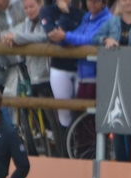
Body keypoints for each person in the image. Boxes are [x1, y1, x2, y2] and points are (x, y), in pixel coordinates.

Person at [92, 0, 131, 162]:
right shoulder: (111, 23)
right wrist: (105, 40)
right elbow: (94, 37)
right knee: (117, 123)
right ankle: (121, 161)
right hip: (115, 81)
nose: (128, 2)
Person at [40, 0, 85, 147]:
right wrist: (66, 18)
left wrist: (66, 36)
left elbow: (82, 36)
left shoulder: (80, 13)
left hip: (79, 67)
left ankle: (80, 148)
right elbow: (54, 35)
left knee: (82, 111)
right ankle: (66, 150)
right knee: (64, 112)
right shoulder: (47, 11)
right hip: (60, 67)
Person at [48, 0, 111, 101]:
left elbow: (91, 39)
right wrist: (61, 39)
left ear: (104, 3)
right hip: (83, 75)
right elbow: (78, 34)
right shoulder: (87, 18)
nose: (92, 3)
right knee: (81, 113)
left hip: (96, 77)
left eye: (97, 1)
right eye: (90, 0)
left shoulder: (108, 20)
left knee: (88, 113)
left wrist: (65, 36)